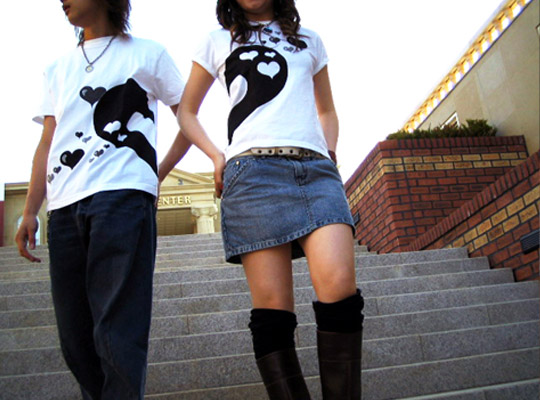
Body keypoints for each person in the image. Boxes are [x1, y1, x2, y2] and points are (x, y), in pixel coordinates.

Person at [177, 0, 364, 398]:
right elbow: (186, 111)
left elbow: (327, 110)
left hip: (316, 171)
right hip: (252, 174)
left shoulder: (310, 40)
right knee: (273, 308)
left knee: (340, 287)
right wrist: (216, 156)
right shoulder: (216, 41)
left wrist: (329, 152)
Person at [15, 0, 190, 398]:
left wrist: (156, 172)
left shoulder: (148, 53)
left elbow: (188, 116)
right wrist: (29, 209)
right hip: (64, 207)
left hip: (122, 199)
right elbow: (47, 141)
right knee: (75, 339)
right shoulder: (57, 68)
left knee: (118, 332)